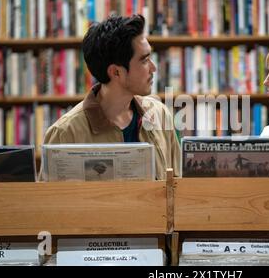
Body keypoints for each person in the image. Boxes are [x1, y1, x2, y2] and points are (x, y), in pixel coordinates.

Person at [41, 14, 181, 180]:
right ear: (116, 72)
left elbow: (178, 189)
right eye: (144, 60)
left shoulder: (161, 115)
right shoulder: (64, 134)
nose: (154, 68)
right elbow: (51, 203)